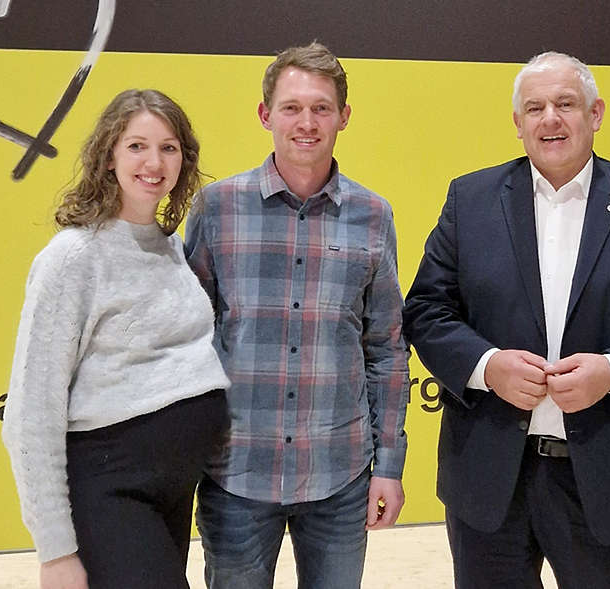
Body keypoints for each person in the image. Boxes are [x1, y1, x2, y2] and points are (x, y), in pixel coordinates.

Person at [403, 51, 610, 588]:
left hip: (608, 474)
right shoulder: (470, 199)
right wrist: (487, 366)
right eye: (535, 108)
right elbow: (427, 309)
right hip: (490, 478)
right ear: (517, 122)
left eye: (565, 104)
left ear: (596, 113)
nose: (550, 118)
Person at [184, 42, 410, 589]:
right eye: (291, 107)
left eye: (321, 108)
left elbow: (386, 348)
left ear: (343, 117)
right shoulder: (216, 208)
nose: (306, 123)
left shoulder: (373, 215)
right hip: (236, 475)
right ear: (266, 115)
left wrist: (389, 465)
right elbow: (187, 340)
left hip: (340, 476)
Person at [2, 89, 230, 589]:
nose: (154, 163)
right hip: (109, 487)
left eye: (169, 148)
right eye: (136, 146)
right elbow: (31, 411)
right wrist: (55, 551)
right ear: (108, 155)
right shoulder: (72, 258)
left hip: (173, 491)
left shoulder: (172, 249)